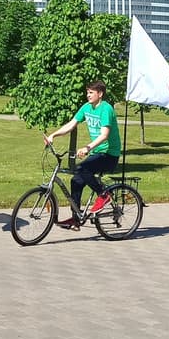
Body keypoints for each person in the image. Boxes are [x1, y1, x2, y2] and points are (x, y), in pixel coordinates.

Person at [45, 80, 121, 230]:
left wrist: (88, 147)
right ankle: (76, 219)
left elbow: (104, 135)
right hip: (97, 152)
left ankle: (104, 195)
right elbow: (71, 124)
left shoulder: (106, 109)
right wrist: (53, 135)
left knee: (83, 168)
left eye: (91, 92)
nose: (88, 95)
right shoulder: (86, 108)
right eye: (87, 92)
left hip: (109, 154)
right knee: (76, 180)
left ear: (100, 94)